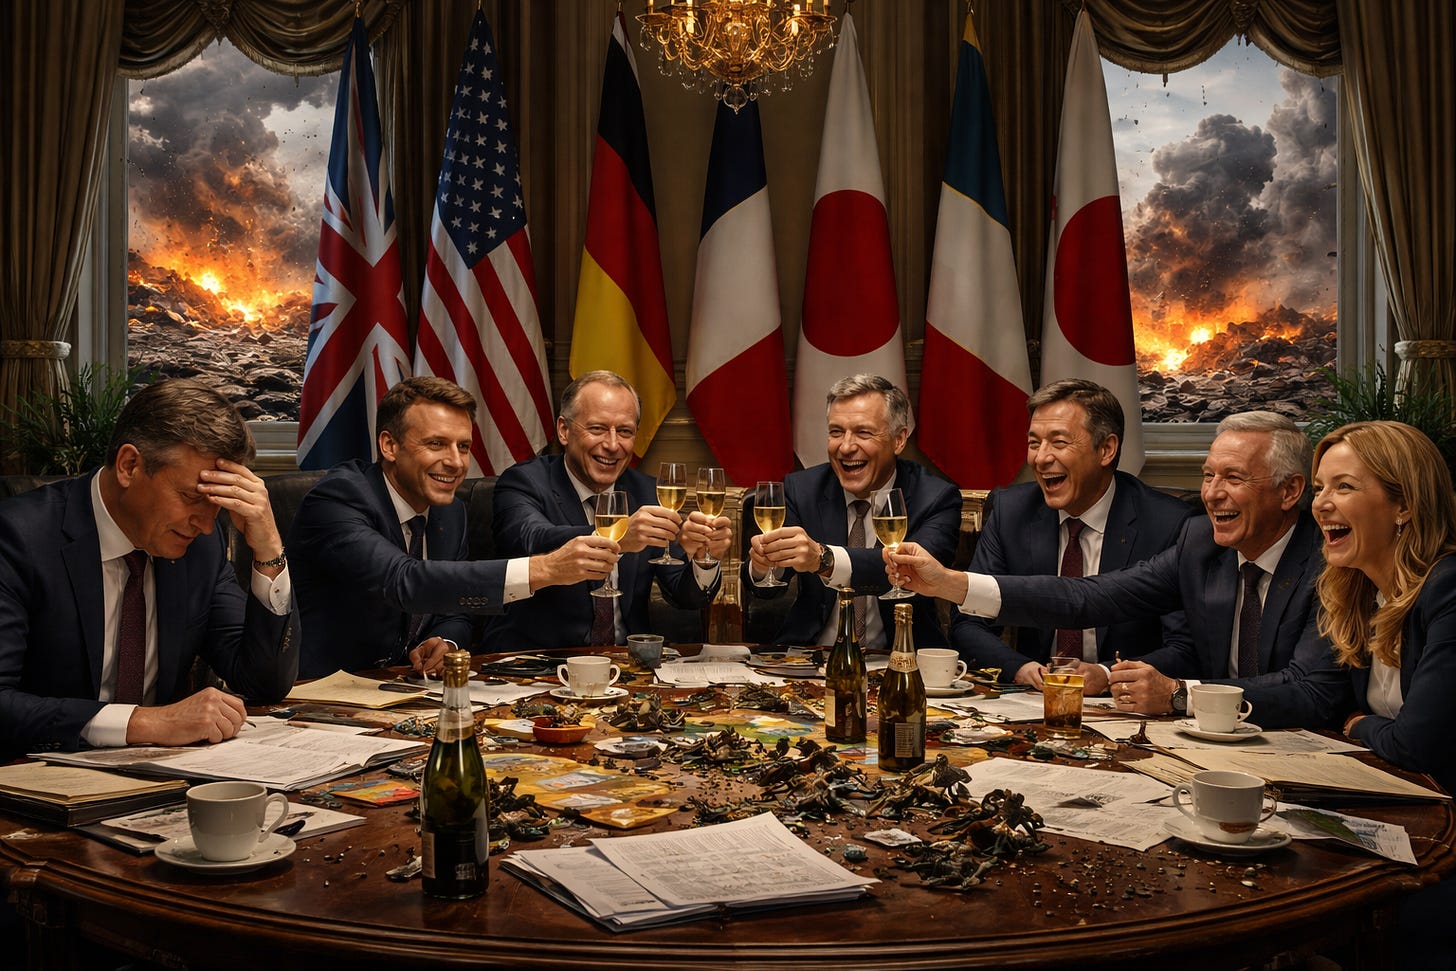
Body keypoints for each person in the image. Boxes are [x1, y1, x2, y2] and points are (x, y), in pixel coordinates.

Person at [887, 411, 1349, 728]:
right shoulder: (1200, 543)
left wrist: (1180, 694)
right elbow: (1087, 597)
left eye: (1233, 478)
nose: (1212, 494)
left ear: (1290, 492)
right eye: (1208, 476)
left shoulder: (1328, 559)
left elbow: (1312, 692)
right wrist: (951, 583)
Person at [0, 378, 299, 757]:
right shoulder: (18, 538)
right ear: (129, 466)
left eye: (216, 504)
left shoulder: (199, 547)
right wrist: (145, 723)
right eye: (191, 496)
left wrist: (269, 548)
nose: (206, 525)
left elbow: (263, 682)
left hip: (160, 775)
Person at [289, 377, 614, 678]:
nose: (456, 462)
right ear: (389, 446)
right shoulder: (338, 498)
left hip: (402, 692)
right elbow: (403, 580)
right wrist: (544, 569)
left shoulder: (450, 511)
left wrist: (445, 640)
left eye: (463, 447)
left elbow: (456, 610)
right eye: (436, 444)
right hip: (315, 694)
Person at [1310, 420, 1456, 970]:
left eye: (1344, 486)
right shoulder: (1360, 591)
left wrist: (1357, 726)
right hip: (1400, 815)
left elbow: (1416, 744)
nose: (1322, 503)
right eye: (1320, 487)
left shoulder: (1447, 588)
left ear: (1405, 506)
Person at [951, 379, 1194, 695]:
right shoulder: (1013, 512)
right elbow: (968, 621)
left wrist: (1106, 674)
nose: (1041, 458)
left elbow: (1184, 647)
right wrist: (1020, 668)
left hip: (1127, 704)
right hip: (1033, 698)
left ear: (1106, 450)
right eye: (1034, 443)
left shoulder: (1169, 523)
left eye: (1059, 442)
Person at [484, 371, 731, 649]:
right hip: (538, 660)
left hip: (626, 662)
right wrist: (617, 537)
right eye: (598, 429)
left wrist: (704, 560)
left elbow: (683, 596)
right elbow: (531, 539)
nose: (613, 445)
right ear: (564, 430)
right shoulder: (524, 481)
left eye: (624, 431)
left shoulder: (648, 493)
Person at [747, 374, 961, 648]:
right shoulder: (801, 490)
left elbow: (911, 571)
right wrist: (763, 566)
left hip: (902, 658)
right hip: (812, 656)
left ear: (898, 440)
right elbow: (768, 590)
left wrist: (824, 559)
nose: (846, 447)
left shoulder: (935, 498)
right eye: (836, 432)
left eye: (863, 433)